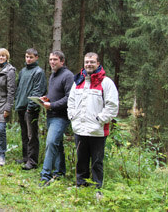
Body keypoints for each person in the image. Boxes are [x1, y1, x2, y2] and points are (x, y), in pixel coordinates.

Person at [67, 52, 119, 189]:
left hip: (97, 130)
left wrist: (100, 119)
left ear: (98, 63)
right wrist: (72, 116)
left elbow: (112, 106)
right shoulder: (78, 81)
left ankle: (97, 188)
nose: (89, 64)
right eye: (86, 62)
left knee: (97, 162)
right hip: (80, 128)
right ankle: (81, 185)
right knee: (81, 160)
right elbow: (71, 101)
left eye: (92, 62)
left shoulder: (106, 83)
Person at [39, 51, 74, 186]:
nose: (52, 62)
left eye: (55, 60)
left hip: (61, 117)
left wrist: (52, 104)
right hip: (51, 115)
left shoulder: (68, 75)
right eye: (50, 59)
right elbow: (56, 94)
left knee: (51, 142)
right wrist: (46, 98)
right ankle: (59, 172)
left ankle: (45, 176)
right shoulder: (53, 75)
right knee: (57, 145)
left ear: (62, 61)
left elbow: (69, 98)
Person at [15, 48, 47, 170]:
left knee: (31, 135)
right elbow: (19, 88)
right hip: (21, 106)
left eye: (31, 57)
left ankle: (32, 161)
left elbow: (38, 91)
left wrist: (31, 107)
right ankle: (25, 158)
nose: (28, 59)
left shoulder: (39, 72)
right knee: (24, 134)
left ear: (36, 58)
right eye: (27, 57)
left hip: (31, 108)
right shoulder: (23, 71)